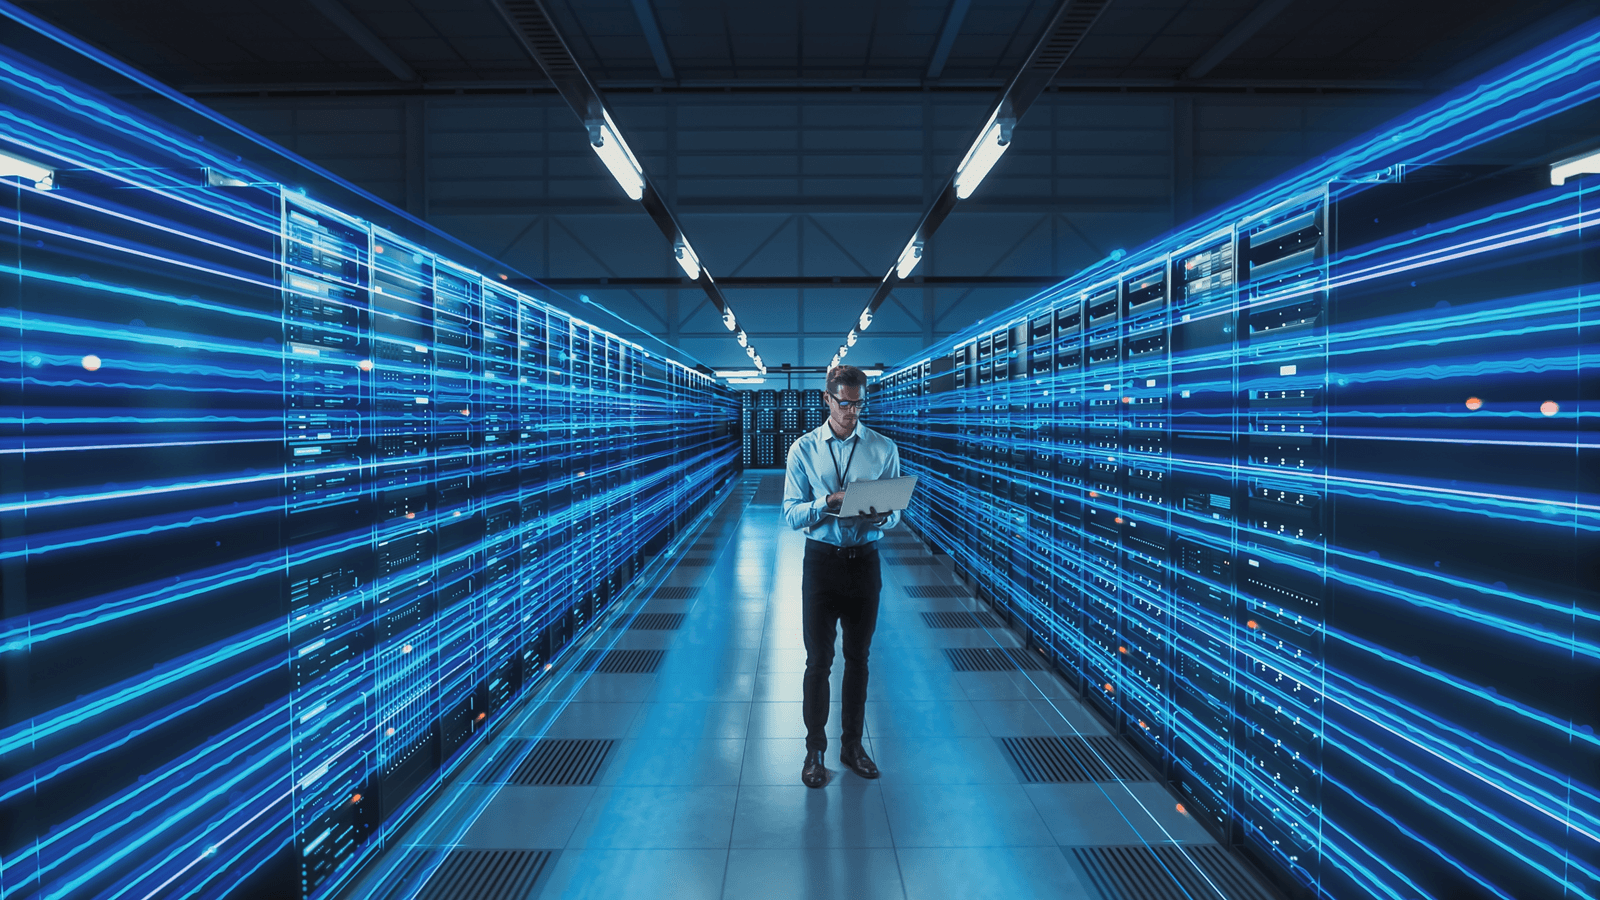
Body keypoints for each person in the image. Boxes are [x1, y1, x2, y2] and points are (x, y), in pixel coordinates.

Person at [781, 364, 901, 788]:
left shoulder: (883, 449)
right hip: (822, 562)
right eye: (844, 403)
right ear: (827, 400)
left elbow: (896, 513)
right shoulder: (804, 450)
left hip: (864, 561)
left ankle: (852, 745)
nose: (852, 412)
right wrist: (825, 503)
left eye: (858, 403)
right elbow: (791, 513)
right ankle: (815, 750)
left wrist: (883, 518)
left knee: (859, 659)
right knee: (818, 661)